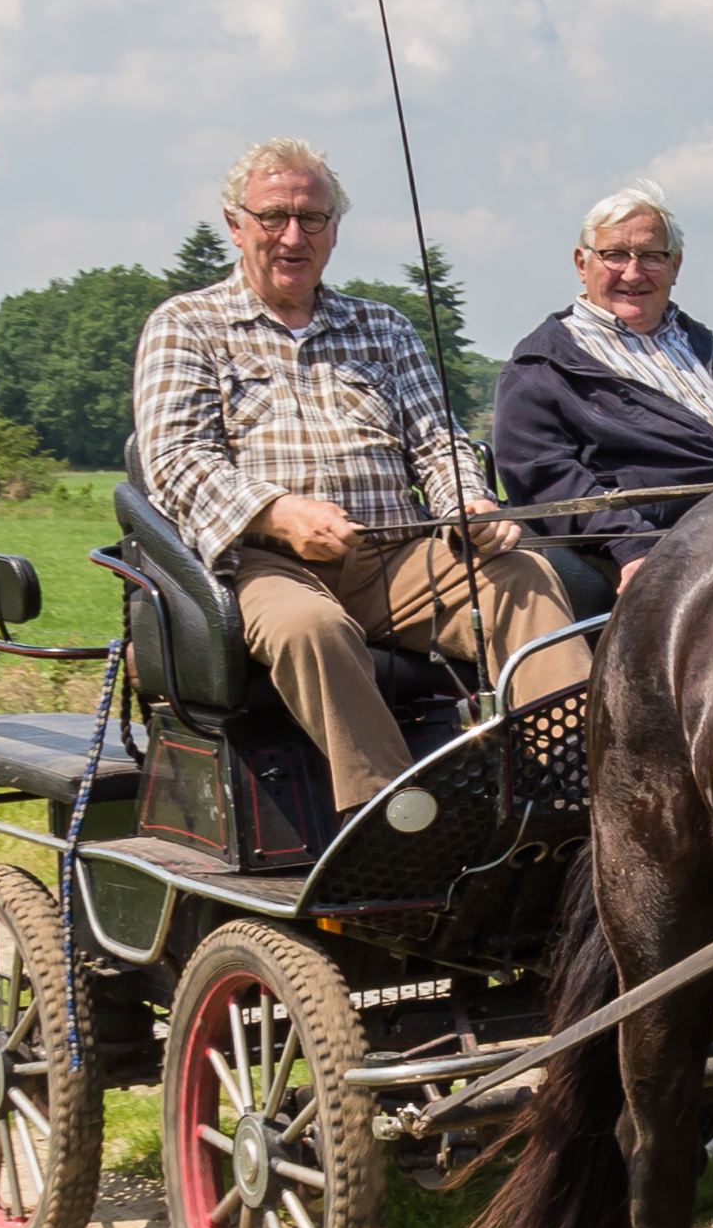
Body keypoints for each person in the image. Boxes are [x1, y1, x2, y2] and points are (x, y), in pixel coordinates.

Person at [128, 138, 590, 803]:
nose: (294, 235)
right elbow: (175, 459)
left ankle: (577, 785)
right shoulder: (187, 325)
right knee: (313, 629)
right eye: (273, 216)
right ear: (235, 225)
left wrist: (470, 503)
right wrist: (278, 513)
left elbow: (437, 443)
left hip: (390, 556)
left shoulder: (384, 328)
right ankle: (394, 812)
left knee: (521, 576)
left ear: (334, 229)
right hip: (262, 563)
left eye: (311, 217)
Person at [490, 180, 713, 587]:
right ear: (582, 264)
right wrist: (629, 547)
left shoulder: (699, 342)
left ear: (675, 266)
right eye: (614, 255)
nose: (632, 273)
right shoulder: (540, 367)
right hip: (671, 550)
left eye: (651, 256)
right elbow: (544, 478)